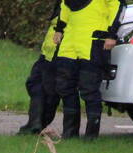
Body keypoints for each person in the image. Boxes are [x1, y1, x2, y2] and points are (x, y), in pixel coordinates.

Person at [51, 0, 123, 139]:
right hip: (70, 42)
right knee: (64, 86)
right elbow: (65, 6)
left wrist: (112, 34)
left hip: (92, 41)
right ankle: (70, 134)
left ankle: (91, 136)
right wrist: (59, 29)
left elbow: (117, 6)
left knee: (89, 89)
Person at [19, 1, 65, 135]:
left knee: (50, 91)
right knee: (35, 83)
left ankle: (39, 124)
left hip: (58, 52)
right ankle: (35, 123)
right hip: (49, 51)